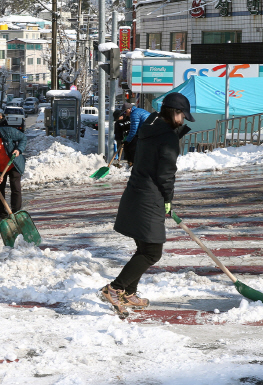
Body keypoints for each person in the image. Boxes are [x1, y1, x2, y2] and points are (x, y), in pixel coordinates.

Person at [99, 93, 194, 318]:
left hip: (135, 192)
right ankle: (114, 288)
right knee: (152, 252)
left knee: (144, 249)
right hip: (149, 198)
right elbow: (166, 173)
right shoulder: (168, 138)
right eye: (182, 115)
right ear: (174, 113)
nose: (184, 120)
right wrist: (168, 199)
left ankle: (129, 293)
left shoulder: (150, 127)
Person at [122, 102, 151, 166]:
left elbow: (133, 130)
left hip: (148, 131)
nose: (125, 114)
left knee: (131, 147)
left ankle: (133, 163)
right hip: (149, 130)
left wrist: (127, 141)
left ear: (129, 109)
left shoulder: (134, 114)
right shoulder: (138, 110)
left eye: (125, 112)